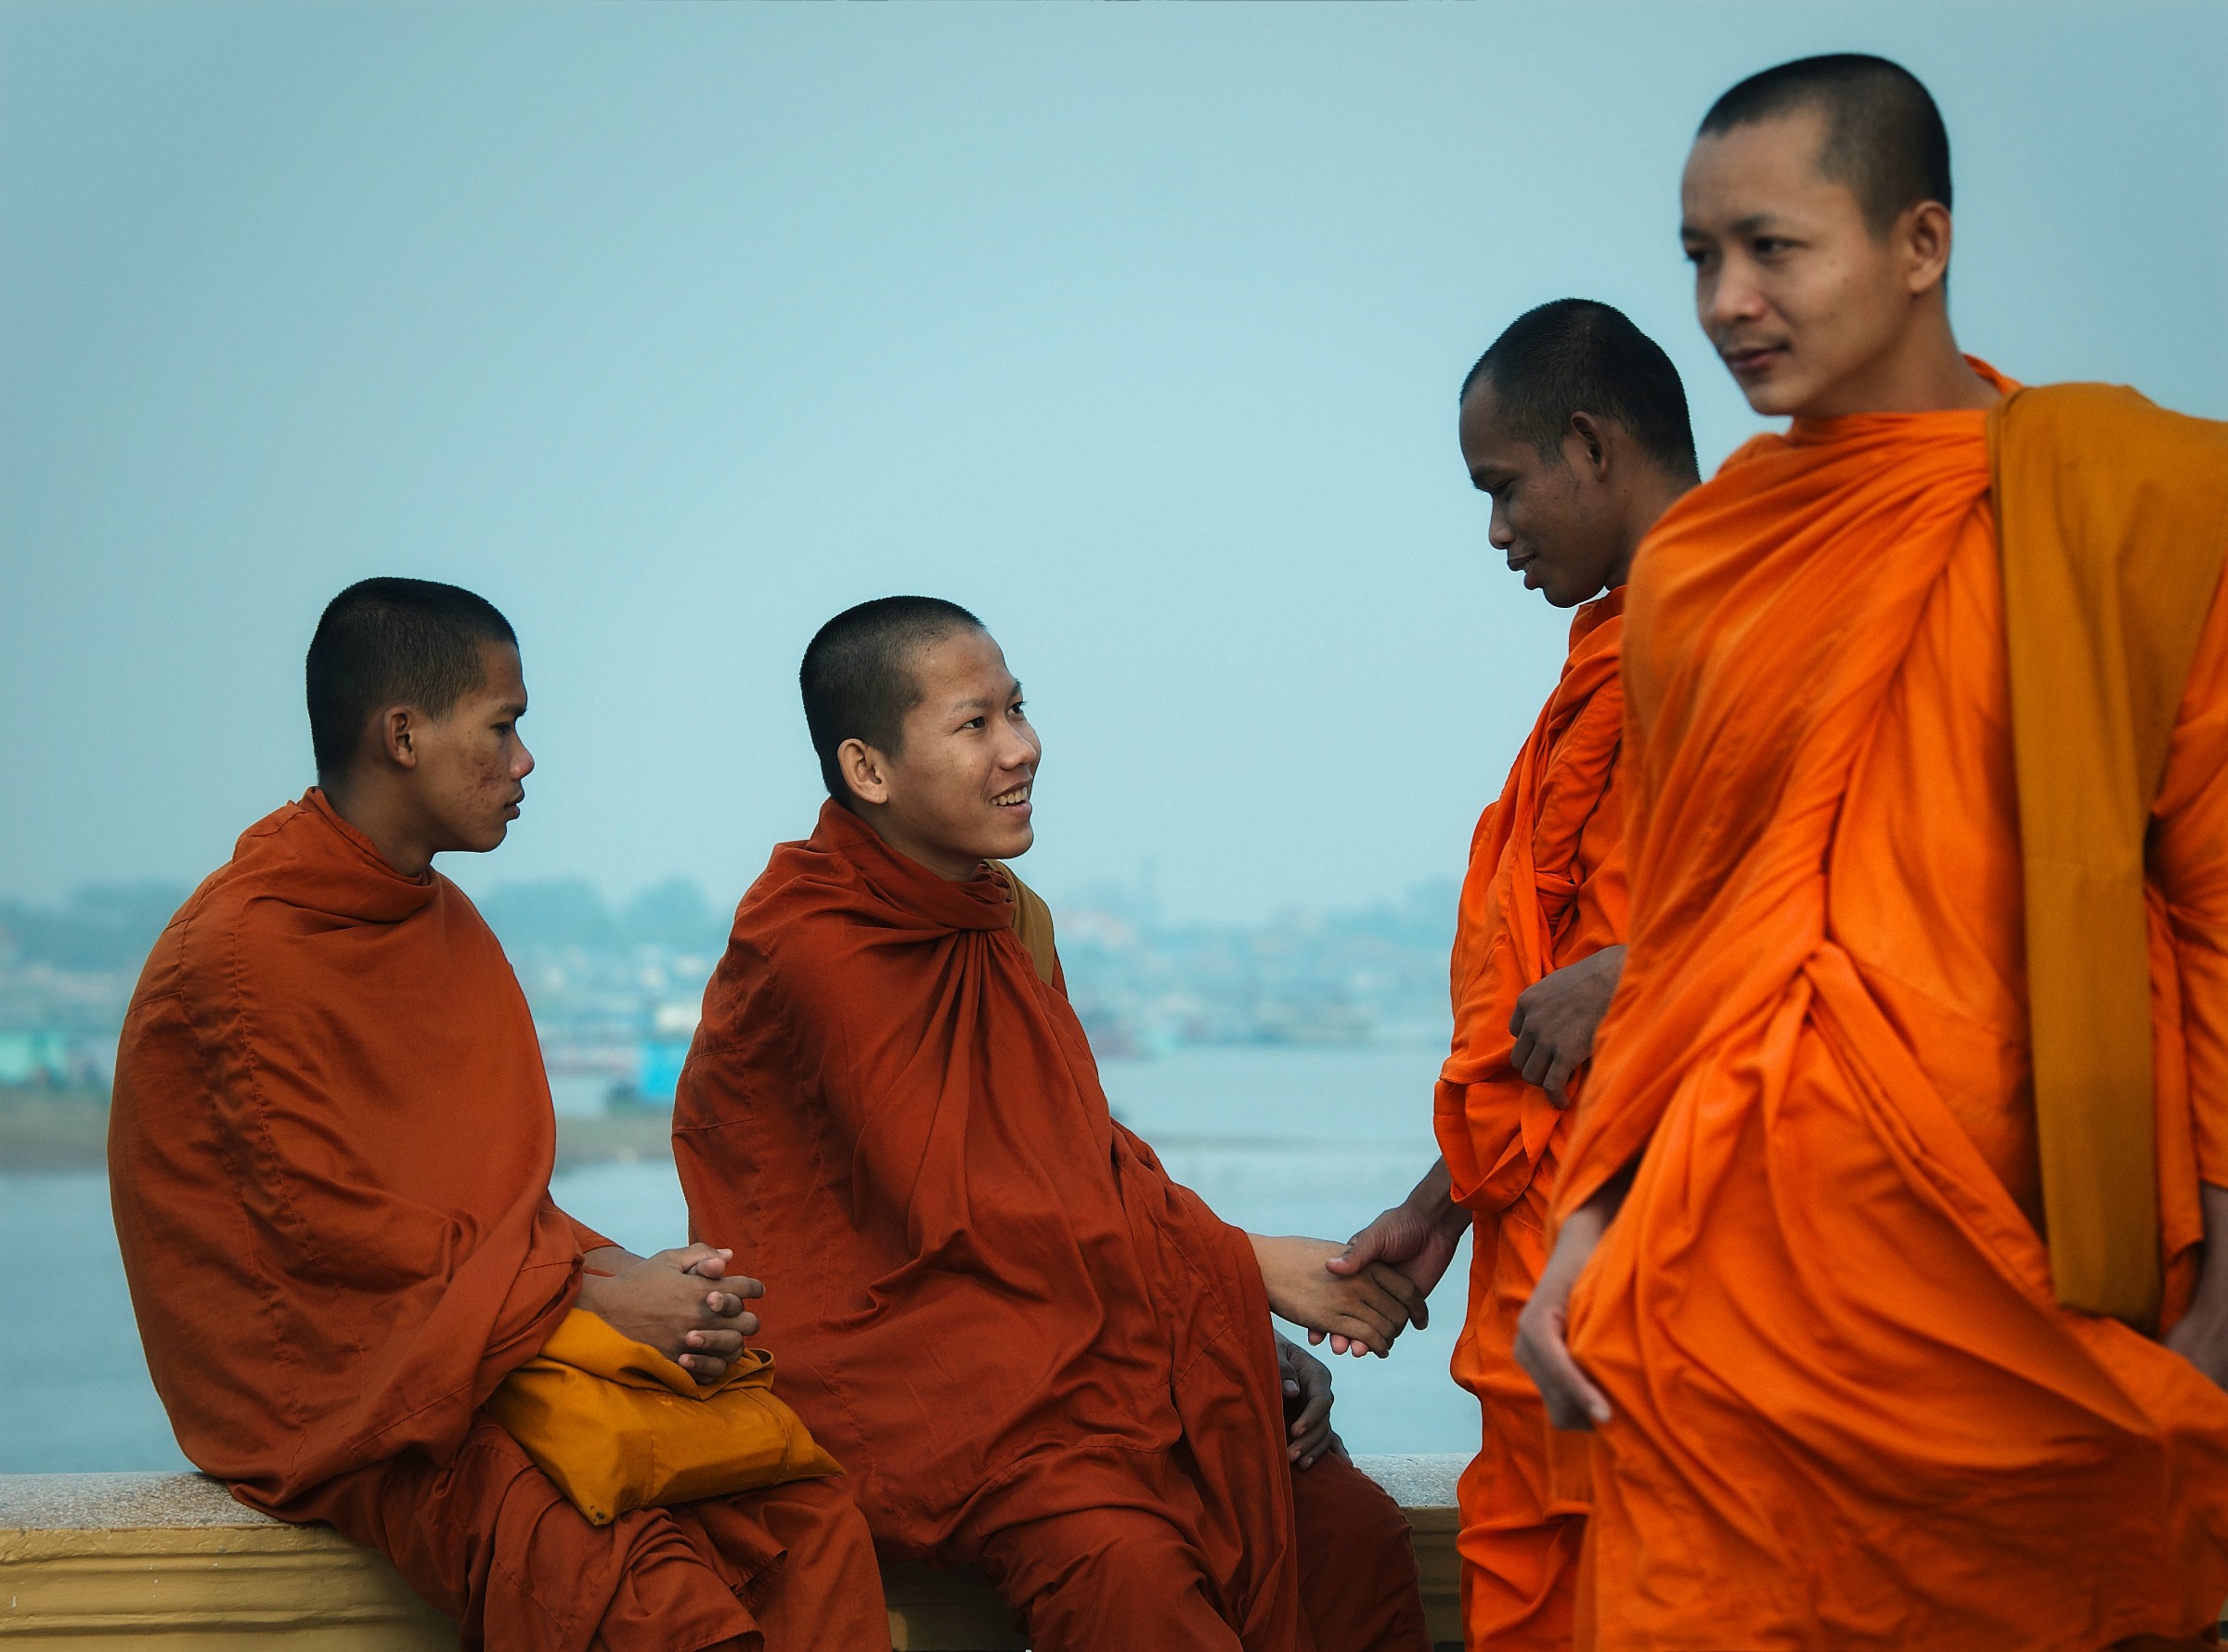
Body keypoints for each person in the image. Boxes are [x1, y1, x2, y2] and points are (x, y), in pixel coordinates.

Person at [1511, 55, 2228, 1649]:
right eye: (1700, 255)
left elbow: (2221, 904)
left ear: (1920, 241)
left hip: (2024, 1252)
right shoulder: (1700, 566)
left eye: (1775, 246)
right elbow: (1687, 931)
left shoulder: (2140, 507)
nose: (1726, 299)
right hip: (1724, 1264)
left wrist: (2225, 1299)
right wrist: (1584, 1234)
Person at [110, 578, 888, 1652]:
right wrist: (594, 1307)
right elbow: (327, 1243)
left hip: (481, 1334)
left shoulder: (446, 922)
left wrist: (638, 1281)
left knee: (807, 1519)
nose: (526, 761)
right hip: (358, 1400)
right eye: (505, 726)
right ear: (402, 735)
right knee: (641, 1591)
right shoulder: (242, 952)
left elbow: (499, 1209)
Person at [673, 597, 1432, 1652]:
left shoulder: (1006, 914)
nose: (1022, 749)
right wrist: (1249, 1265)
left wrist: (1222, 1333)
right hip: (918, 1372)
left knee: (1343, 1531)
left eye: (1019, 710)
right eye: (974, 723)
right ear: (869, 768)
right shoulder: (813, 944)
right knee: (1124, 1569)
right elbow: (973, 1199)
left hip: (1061, 1334)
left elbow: (1078, 1157)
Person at [1325, 302, 1697, 1652]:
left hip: (1683, 1231)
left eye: (1504, 488)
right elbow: (1545, 1004)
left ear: (1590, 444)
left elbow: (1871, 888)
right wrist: (1443, 1206)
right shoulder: (1615, 650)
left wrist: (1647, 970)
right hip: (1550, 1227)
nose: (1495, 534)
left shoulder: (1746, 625)